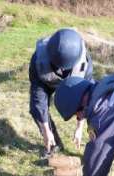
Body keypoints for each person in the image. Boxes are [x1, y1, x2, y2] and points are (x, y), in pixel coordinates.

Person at [29, 28, 93, 158]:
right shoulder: (38, 61)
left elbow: (86, 100)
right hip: (47, 81)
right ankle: (53, 144)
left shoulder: (84, 63)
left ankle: (93, 150)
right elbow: (38, 99)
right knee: (36, 110)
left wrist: (79, 127)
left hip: (73, 83)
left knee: (92, 103)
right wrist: (46, 130)